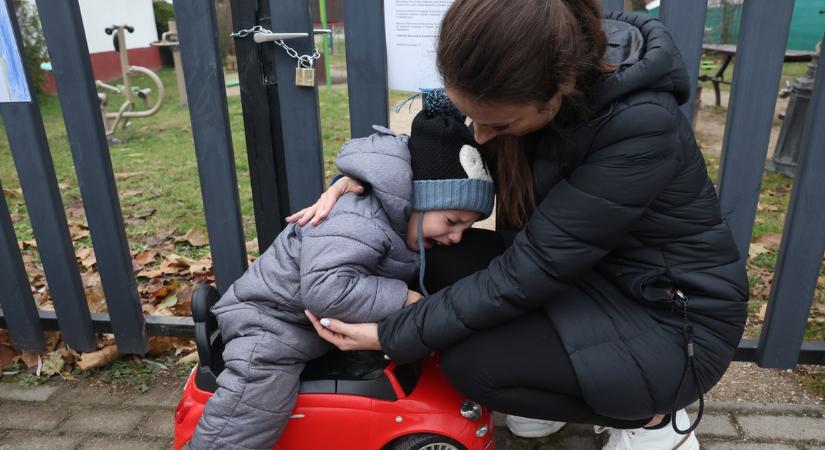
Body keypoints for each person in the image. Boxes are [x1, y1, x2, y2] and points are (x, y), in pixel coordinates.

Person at [297, 2, 749, 449]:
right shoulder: (514, 70)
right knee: (437, 256)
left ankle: (651, 417)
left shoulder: (641, 125)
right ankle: (554, 390)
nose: (480, 137)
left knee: (473, 366)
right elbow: (429, 140)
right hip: (584, 274)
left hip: (667, 316)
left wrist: (390, 336)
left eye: (498, 124)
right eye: (474, 117)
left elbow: (530, 273)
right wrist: (361, 179)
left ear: (562, 87)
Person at [191, 101, 495, 449]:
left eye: (467, 226)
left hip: (311, 322)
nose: (456, 236)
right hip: (268, 319)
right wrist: (404, 299)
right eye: (452, 222)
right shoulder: (358, 221)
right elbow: (325, 289)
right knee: (258, 396)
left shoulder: (401, 223)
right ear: (414, 200)